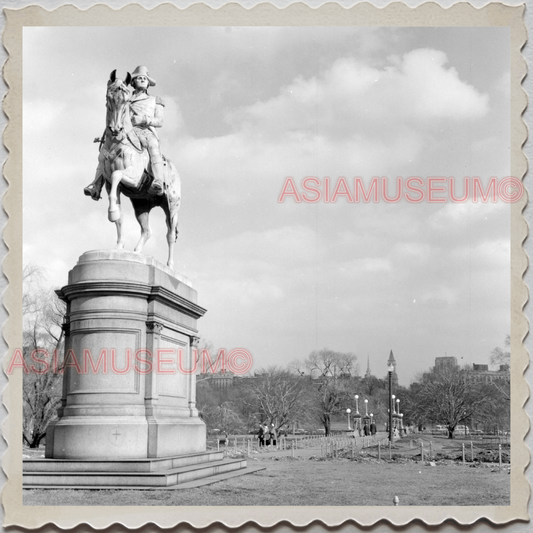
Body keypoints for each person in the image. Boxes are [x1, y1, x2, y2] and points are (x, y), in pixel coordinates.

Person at [84, 65, 166, 200]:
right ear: (133, 82)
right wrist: (105, 134)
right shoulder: (126, 98)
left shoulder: (154, 100)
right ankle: (96, 185)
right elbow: (117, 116)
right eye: (139, 78)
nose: (142, 80)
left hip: (145, 131)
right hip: (127, 131)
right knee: (106, 150)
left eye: (144, 78)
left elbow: (160, 121)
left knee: (153, 146)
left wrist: (143, 119)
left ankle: (158, 180)